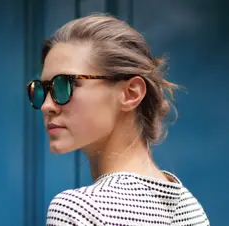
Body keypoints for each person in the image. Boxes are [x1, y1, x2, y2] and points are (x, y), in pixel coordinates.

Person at [26, 13, 210, 226]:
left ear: (131, 93)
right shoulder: (190, 206)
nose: (47, 106)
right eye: (40, 89)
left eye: (64, 85)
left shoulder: (79, 209)